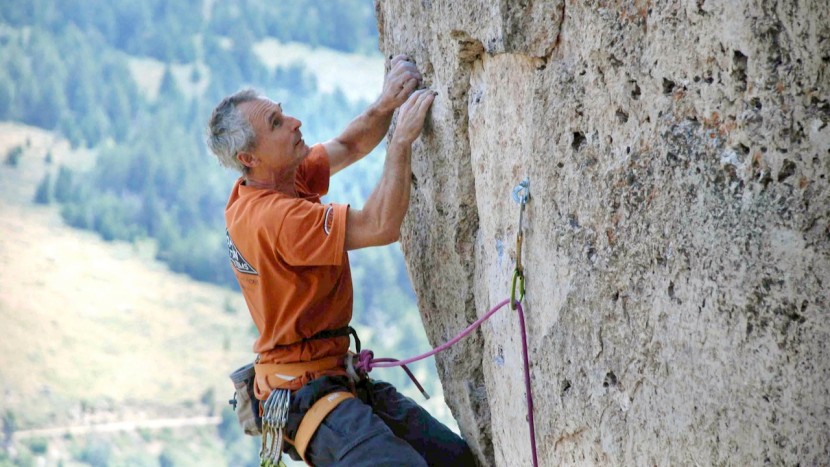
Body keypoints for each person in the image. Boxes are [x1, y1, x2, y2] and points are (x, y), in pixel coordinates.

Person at [207, 55, 476, 466]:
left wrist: (385, 105)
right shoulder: (277, 219)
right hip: (306, 390)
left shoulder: (273, 181)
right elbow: (380, 225)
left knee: (453, 460)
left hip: (329, 374)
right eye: (276, 124)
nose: (294, 122)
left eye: (282, 113)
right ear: (249, 157)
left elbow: (349, 145)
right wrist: (400, 142)